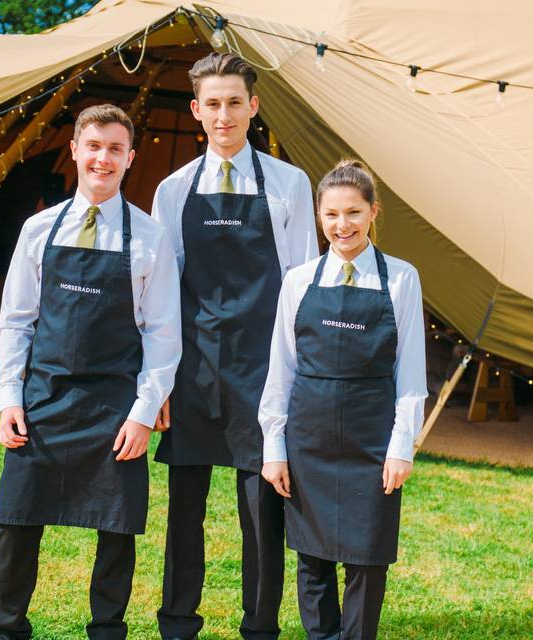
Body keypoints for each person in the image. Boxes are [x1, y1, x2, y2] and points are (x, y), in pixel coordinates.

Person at [0, 104, 181, 640]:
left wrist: (143, 414)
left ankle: (106, 631)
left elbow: (163, 339)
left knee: (117, 531)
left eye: (115, 149)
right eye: (93, 146)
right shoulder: (37, 230)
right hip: (43, 399)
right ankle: (6, 630)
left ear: (130, 158)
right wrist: (10, 398)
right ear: (74, 150)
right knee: (16, 523)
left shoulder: (150, 238)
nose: (103, 158)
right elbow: (17, 323)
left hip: (114, 409)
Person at [150, 52, 318, 640]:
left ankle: (260, 628)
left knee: (262, 515)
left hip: (263, 373)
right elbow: (163, 296)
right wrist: (160, 383)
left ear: (254, 106)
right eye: (212, 104)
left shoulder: (290, 183)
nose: (224, 115)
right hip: (193, 372)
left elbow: (300, 287)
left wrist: (296, 385)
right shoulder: (172, 191)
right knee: (184, 515)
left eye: (234, 103)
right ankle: (177, 625)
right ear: (196, 111)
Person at [259, 160, 427, 639]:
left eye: (353, 213)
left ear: (374, 212)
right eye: (331, 215)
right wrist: (274, 447)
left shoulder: (401, 280)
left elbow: (409, 372)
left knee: (367, 559)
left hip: (371, 442)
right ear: (318, 215)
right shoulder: (298, 281)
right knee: (311, 558)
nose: (342, 225)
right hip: (308, 440)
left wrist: (401, 445)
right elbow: (281, 369)